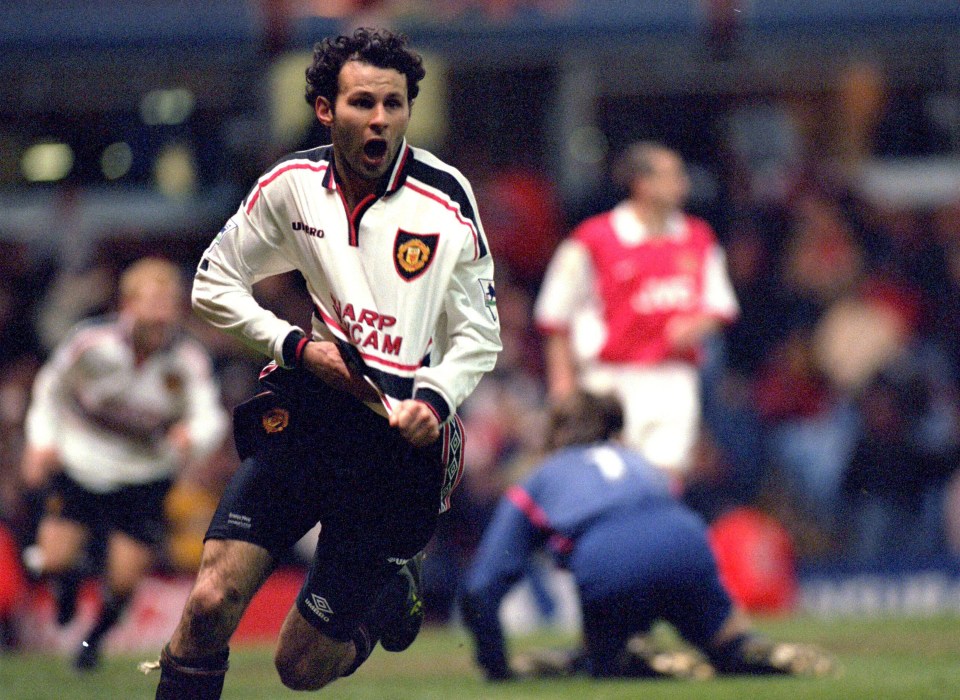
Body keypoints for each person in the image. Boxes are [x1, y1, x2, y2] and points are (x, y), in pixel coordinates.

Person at [147, 28, 501, 698]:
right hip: (309, 414)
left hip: (396, 446)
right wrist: (294, 346)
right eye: (364, 102)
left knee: (298, 669)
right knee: (208, 603)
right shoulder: (290, 186)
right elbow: (212, 284)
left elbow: (479, 334)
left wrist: (435, 399)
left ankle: (388, 596)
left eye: (394, 104)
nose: (381, 119)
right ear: (325, 110)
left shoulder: (445, 197)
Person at [460, 390, 837, 681]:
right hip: (686, 538)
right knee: (728, 642)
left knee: (603, 657)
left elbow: (482, 586)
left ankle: (634, 658)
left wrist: (495, 666)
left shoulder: (539, 478)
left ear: (554, 436)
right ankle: (755, 651)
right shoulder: (638, 462)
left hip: (609, 556)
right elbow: (663, 513)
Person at [19, 256, 228, 670]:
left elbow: (210, 415)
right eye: (150, 300)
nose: (159, 311)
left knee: (123, 581)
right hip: (81, 463)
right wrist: (40, 442)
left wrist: (194, 438)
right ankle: (67, 585)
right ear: (127, 304)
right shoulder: (90, 344)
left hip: (144, 474)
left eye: (167, 301)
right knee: (54, 558)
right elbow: (49, 388)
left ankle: (93, 640)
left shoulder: (187, 361)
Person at [533, 141, 739, 478]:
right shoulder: (593, 239)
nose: (682, 184)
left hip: (673, 380)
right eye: (672, 175)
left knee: (665, 485)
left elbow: (721, 307)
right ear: (642, 184)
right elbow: (554, 317)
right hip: (609, 382)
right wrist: (563, 389)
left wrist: (697, 325)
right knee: (611, 482)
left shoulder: (698, 238)